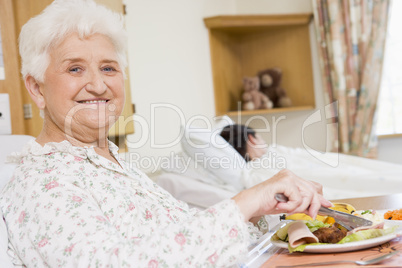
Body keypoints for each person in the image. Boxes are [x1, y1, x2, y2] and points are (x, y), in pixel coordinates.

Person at [0, 0, 332, 266]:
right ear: (37, 88)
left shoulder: (112, 164)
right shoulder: (44, 183)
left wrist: (262, 207)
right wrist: (244, 202)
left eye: (108, 68)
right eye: (74, 68)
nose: (99, 85)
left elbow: (176, 238)